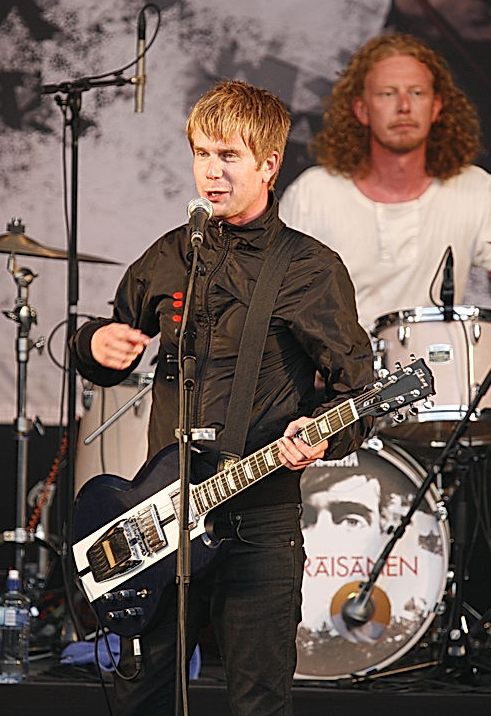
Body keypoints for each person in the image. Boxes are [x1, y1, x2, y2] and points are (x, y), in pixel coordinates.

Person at [71, 80, 375, 715]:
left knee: (257, 702)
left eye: (229, 156)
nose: (211, 172)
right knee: (142, 697)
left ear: (268, 163)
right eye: (202, 154)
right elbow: (108, 337)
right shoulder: (172, 253)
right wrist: (95, 344)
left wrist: (318, 434)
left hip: (257, 522)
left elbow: (361, 397)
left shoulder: (309, 269)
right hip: (158, 517)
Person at [280, 32, 491, 441]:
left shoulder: (473, 188)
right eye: (387, 93)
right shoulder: (314, 192)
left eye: (416, 92)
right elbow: (275, 302)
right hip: (333, 408)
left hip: (439, 402)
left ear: (437, 107)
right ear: (360, 109)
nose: (403, 106)